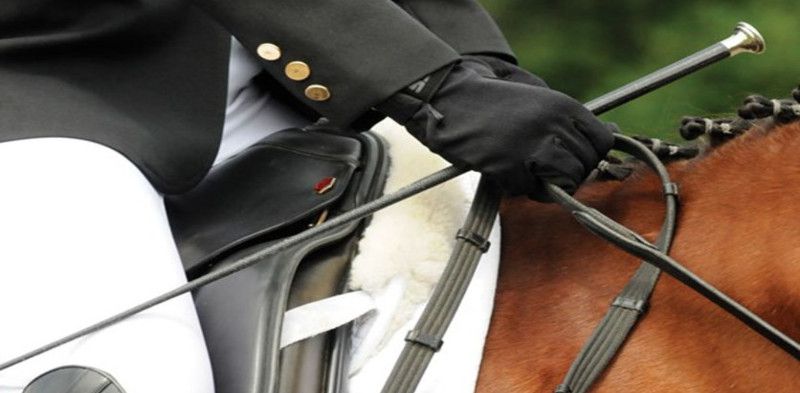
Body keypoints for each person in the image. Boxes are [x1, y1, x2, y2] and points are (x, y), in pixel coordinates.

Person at [0, 0, 614, 392]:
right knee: (142, 371)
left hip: (281, 101)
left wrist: (487, 74)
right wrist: (430, 88)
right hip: (38, 96)